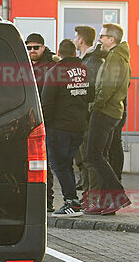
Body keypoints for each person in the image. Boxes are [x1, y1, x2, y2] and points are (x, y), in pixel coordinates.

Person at [85, 23, 131, 215]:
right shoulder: (120, 57)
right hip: (112, 111)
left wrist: (95, 104)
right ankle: (105, 203)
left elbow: (107, 86)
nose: (100, 40)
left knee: (93, 155)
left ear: (112, 39)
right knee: (101, 156)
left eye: (103, 36)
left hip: (105, 111)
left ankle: (118, 196)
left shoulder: (114, 58)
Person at [41, 39, 89, 215]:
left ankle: (72, 201)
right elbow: (89, 95)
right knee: (67, 163)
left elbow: (47, 103)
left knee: (59, 165)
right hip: (79, 125)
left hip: (59, 127)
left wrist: (45, 125)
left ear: (58, 54)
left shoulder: (55, 72)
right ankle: (74, 200)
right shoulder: (84, 71)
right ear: (75, 53)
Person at [26, 32, 59, 210]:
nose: (32, 51)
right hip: (27, 118)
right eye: (29, 47)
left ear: (43, 48)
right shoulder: (23, 64)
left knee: (44, 162)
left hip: (47, 120)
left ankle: (47, 202)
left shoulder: (52, 65)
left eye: (35, 47)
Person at [73, 25, 104, 208]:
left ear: (81, 40)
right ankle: (87, 196)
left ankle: (92, 198)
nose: (76, 40)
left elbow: (88, 92)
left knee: (88, 159)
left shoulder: (91, 63)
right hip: (82, 117)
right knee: (82, 159)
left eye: (76, 37)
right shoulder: (86, 61)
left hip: (88, 118)